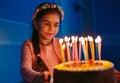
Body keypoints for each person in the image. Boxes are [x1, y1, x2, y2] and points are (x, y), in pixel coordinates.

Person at [20, 2, 64, 83]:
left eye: (56, 25)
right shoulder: (29, 45)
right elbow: (25, 69)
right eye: (46, 24)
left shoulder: (61, 43)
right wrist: (39, 77)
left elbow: (72, 64)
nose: (51, 29)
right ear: (36, 23)